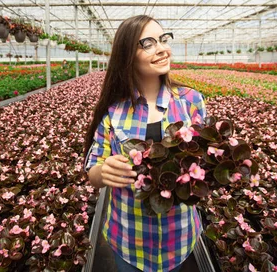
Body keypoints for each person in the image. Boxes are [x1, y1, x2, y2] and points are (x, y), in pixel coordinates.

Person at [84, 15, 207, 272]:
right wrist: (104, 171)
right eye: (148, 43)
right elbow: (93, 169)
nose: (162, 48)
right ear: (127, 55)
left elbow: (204, 161)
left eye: (163, 39)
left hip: (179, 236)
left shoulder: (191, 101)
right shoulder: (113, 112)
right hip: (129, 238)